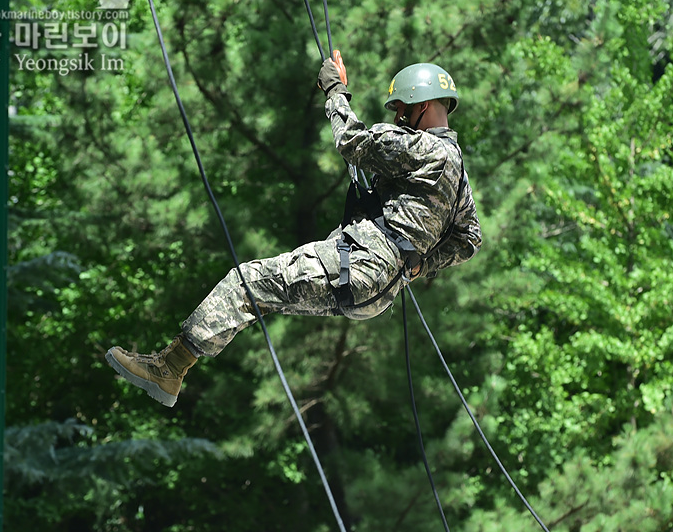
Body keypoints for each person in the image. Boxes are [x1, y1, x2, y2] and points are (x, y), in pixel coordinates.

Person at [105, 54, 482, 406]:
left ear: (422, 105)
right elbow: (469, 239)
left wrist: (335, 94)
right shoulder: (458, 171)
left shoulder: (423, 148)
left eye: (401, 109)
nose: (398, 117)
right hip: (378, 291)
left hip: (361, 265)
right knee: (260, 294)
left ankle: (169, 368)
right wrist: (418, 266)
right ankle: (172, 366)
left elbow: (352, 142)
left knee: (247, 281)